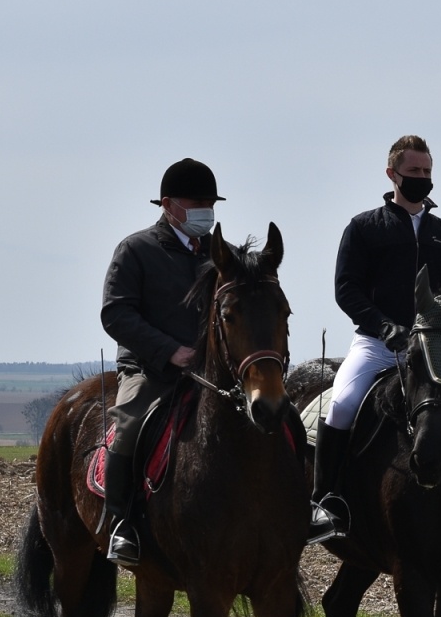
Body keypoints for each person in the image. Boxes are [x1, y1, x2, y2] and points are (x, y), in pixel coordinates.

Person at [100, 158, 336, 566]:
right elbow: (115, 313)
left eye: (210, 203)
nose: (205, 211)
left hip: (215, 372)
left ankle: (307, 507)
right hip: (152, 369)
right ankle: (122, 523)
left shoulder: (219, 254)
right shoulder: (136, 249)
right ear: (168, 204)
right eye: (197, 202)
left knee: (289, 420)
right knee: (130, 425)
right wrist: (170, 351)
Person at [314, 135, 441, 534]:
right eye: (413, 172)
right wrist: (383, 325)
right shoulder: (363, 228)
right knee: (340, 405)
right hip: (377, 345)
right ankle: (326, 500)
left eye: (427, 172)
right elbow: (346, 289)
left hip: (437, 349)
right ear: (392, 174)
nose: (422, 178)